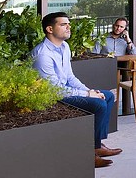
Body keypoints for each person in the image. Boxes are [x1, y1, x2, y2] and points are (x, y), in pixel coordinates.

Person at [32, 12, 120, 169]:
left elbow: (70, 77)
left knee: (106, 96)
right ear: (49, 29)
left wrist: (89, 90)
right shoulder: (42, 54)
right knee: (98, 105)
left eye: (68, 24)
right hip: (53, 96)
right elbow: (54, 90)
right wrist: (87, 95)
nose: (68, 27)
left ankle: (97, 144)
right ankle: (90, 153)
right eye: (63, 24)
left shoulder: (65, 47)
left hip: (64, 91)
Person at [94, 17, 136, 112]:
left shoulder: (124, 40)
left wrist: (128, 40)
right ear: (113, 26)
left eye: (121, 27)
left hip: (122, 65)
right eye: (117, 26)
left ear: (124, 29)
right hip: (107, 66)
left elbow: (135, 53)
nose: (118, 28)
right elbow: (95, 53)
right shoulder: (103, 38)